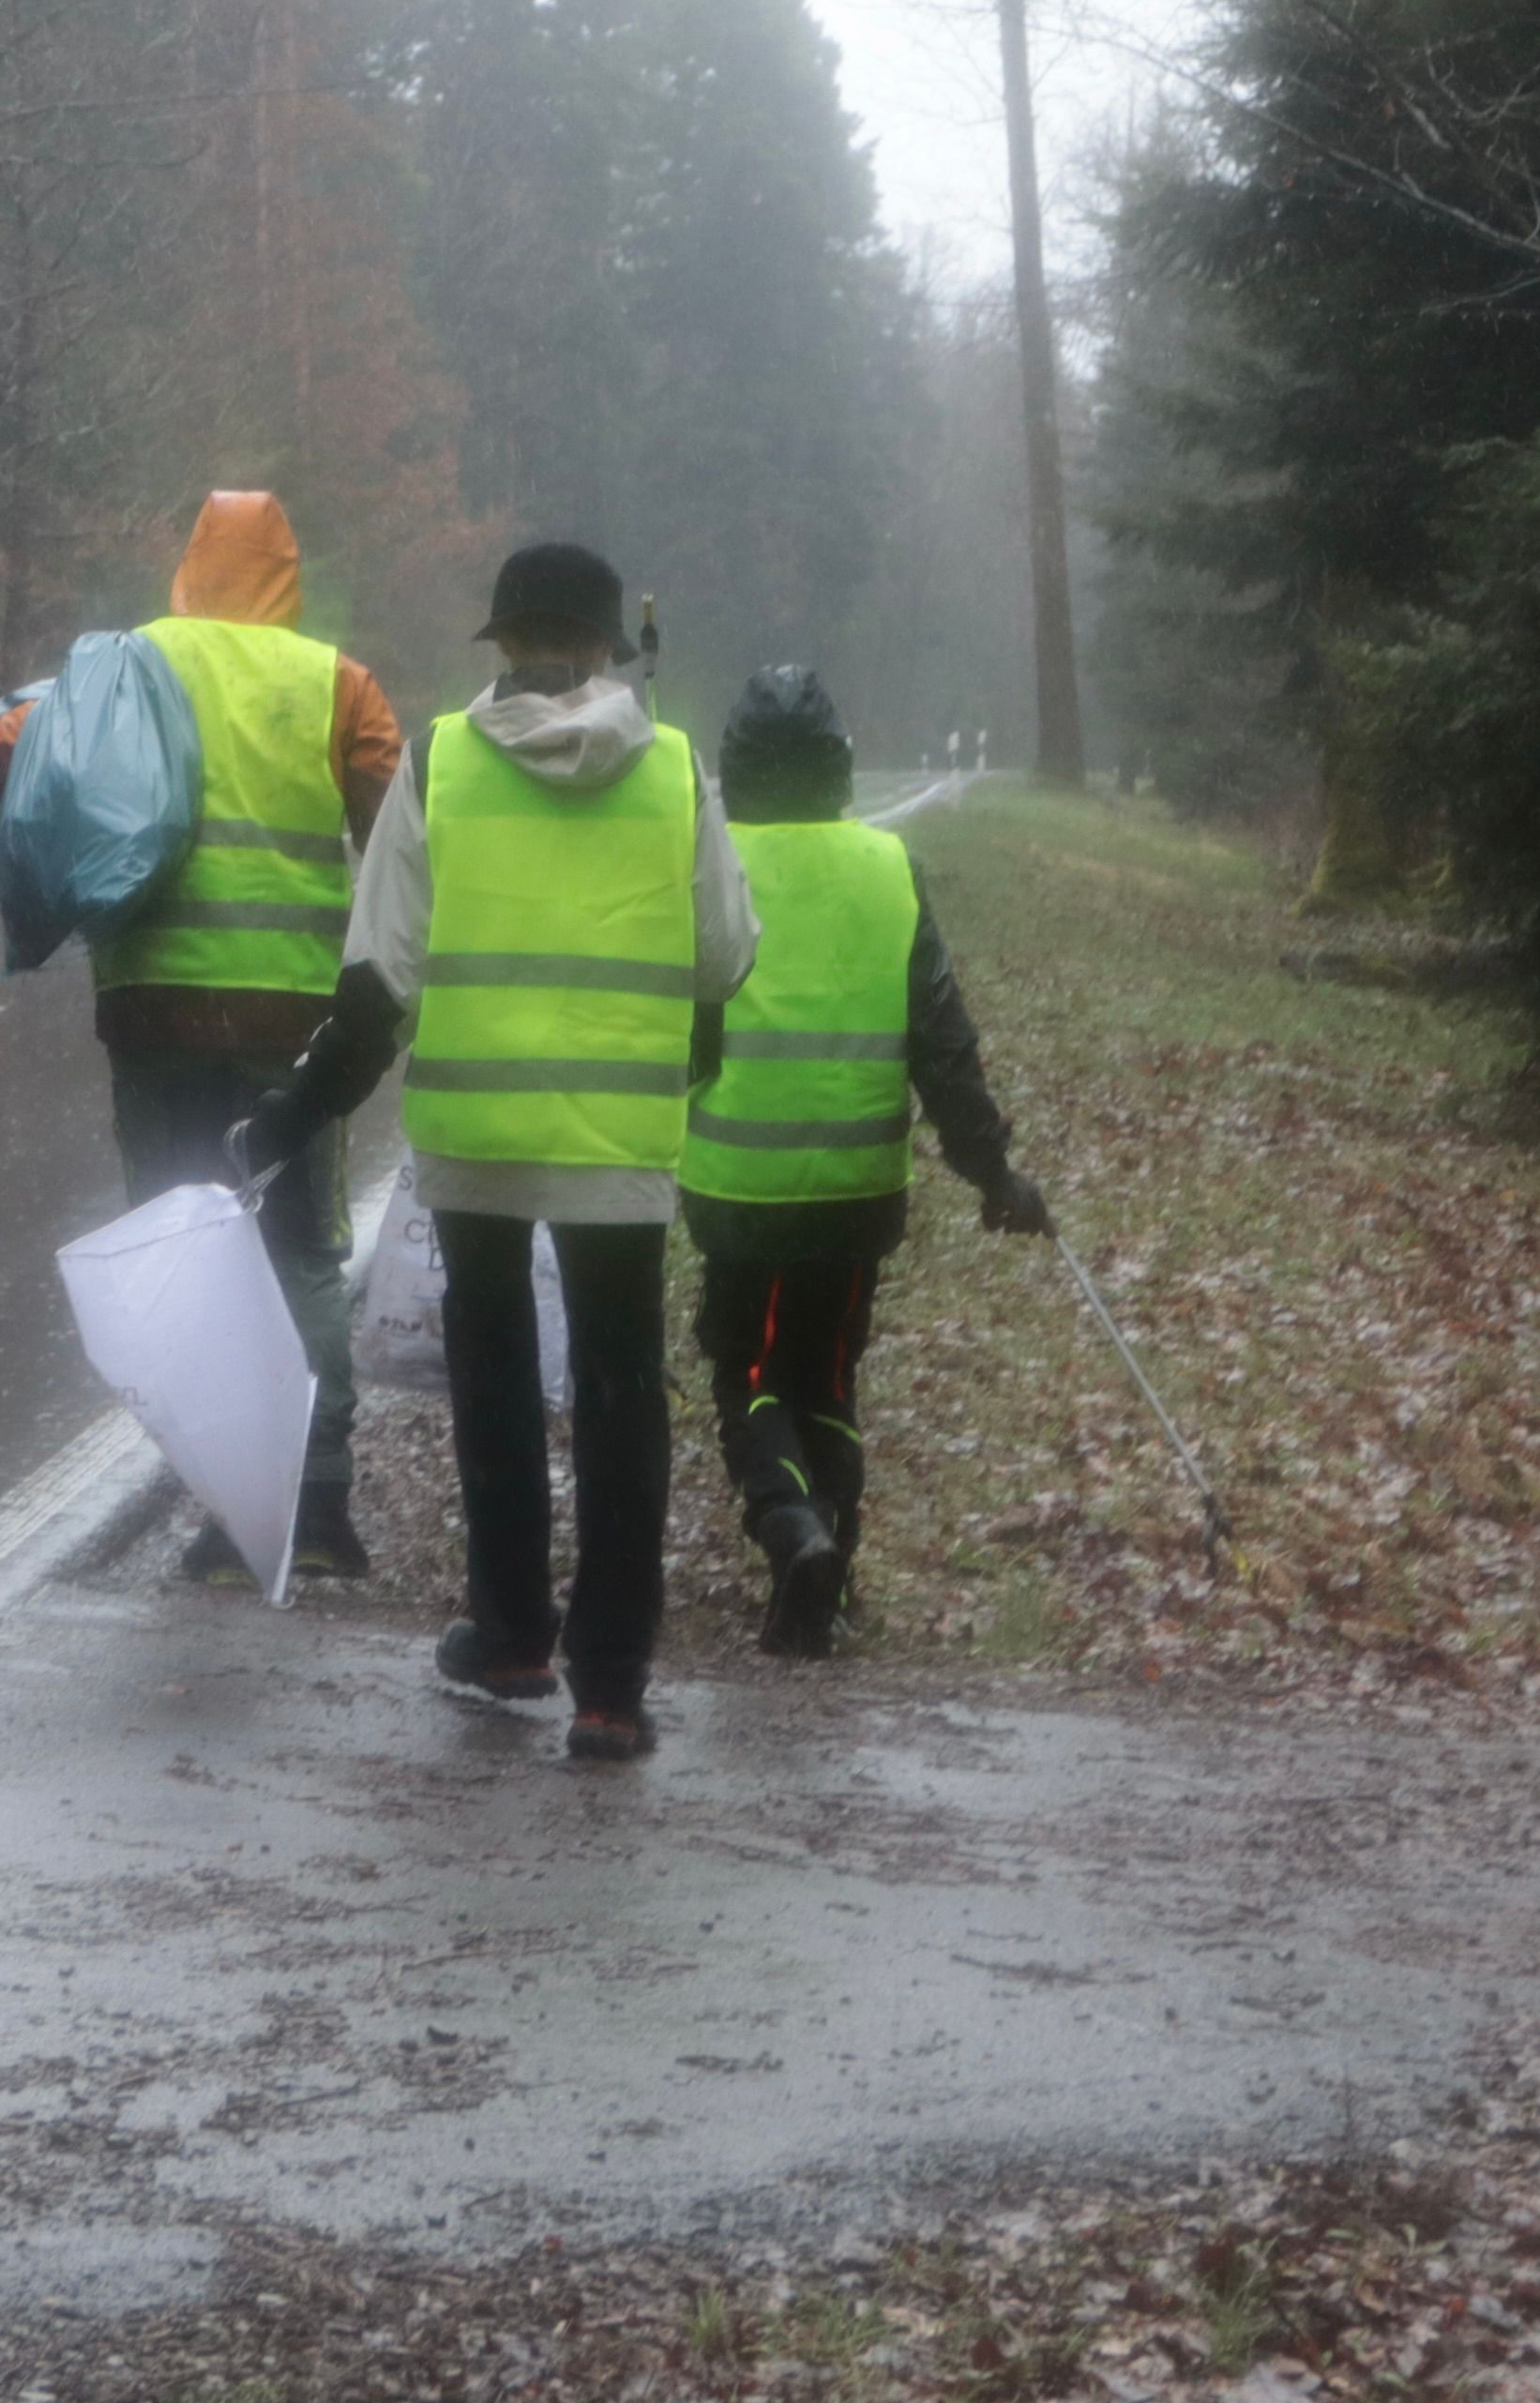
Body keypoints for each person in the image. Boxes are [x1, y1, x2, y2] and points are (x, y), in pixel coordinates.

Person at [234, 541, 750, 1763]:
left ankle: (512, 1632)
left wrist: (293, 1115)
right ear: (610, 648)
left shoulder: (442, 762)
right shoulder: (675, 769)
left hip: (473, 1134)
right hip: (621, 1136)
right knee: (625, 1394)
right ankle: (611, 1687)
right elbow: (725, 955)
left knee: (497, 1379)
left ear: (504, 644)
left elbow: (377, 979)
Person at [0, 491, 398, 1579]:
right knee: (299, 1247)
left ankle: (227, 1505)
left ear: (191, 564)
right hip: (293, 1028)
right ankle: (318, 1504)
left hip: (154, 1014)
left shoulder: (129, 666)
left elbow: (5, 761)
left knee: (193, 1251)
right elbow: (398, 826)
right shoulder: (336, 682)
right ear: (288, 572)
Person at [680, 664, 1049, 1656]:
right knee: (829, 1376)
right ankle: (829, 1570)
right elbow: (943, 1040)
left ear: (735, 766)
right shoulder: (890, 867)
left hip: (737, 1187)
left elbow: (678, 1031)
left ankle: (792, 1530)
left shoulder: (708, 863)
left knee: (747, 1372)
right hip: (856, 1192)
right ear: (840, 766)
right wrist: (992, 1173)